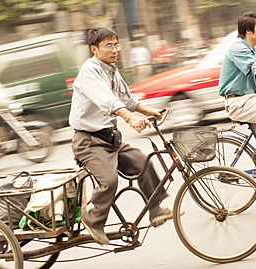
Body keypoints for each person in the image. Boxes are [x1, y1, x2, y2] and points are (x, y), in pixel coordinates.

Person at [69, 27, 172, 245]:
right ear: (94, 49)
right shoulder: (90, 71)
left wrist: (147, 112)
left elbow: (127, 98)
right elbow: (107, 99)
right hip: (89, 141)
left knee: (143, 162)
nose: (115, 49)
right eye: (109, 45)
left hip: (110, 140)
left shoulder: (112, 70)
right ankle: (93, 219)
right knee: (109, 181)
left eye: (116, 44)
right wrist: (130, 119)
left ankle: (155, 209)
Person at [219, 11, 256, 167]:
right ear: (248, 31)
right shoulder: (238, 48)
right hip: (238, 103)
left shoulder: (252, 50)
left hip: (248, 101)